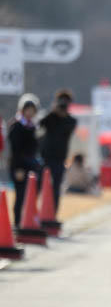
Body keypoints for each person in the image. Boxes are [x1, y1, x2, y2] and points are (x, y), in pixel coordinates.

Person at [40, 89, 77, 214]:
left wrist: (62, 115)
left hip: (59, 159)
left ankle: (52, 214)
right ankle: (37, 213)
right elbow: (41, 124)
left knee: (56, 188)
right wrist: (53, 112)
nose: (63, 105)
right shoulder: (51, 117)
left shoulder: (71, 121)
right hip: (45, 158)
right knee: (40, 185)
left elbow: (65, 129)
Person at [8, 99, 42, 227]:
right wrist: (18, 168)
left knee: (30, 195)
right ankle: (17, 223)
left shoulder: (33, 126)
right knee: (20, 195)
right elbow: (15, 150)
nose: (29, 113)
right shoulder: (16, 126)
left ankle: (27, 221)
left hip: (30, 165)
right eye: (27, 110)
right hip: (19, 166)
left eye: (32, 110)